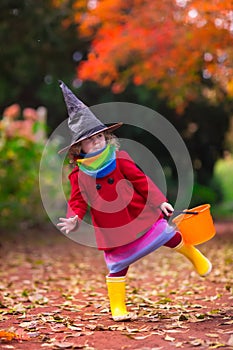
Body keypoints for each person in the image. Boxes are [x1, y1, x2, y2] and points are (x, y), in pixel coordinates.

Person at [57, 81, 212, 321]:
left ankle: (195, 256)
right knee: (118, 264)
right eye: (90, 140)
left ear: (106, 136)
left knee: (166, 234)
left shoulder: (120, 158)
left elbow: (142, 181)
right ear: (79, 148)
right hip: (111, 225)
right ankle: (118, 307)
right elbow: (77, 200)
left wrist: (160, 202)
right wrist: (74, 218)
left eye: (99, 135)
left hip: (137, 212)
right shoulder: (78, 175)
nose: (97, 141)